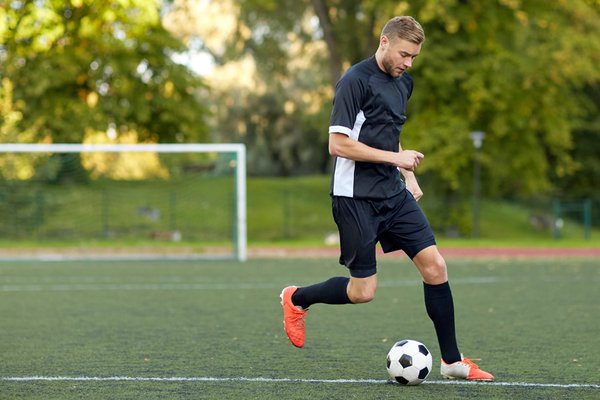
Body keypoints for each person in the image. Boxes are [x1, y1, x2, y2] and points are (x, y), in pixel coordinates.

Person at [280, 16, 494, 381]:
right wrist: (397, 160)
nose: (409, 63)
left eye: (414, 57)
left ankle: (453, 362)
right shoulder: (354, 81)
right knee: (363, 292)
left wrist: (407, 174)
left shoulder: (403, 82)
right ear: (384, 42)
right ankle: (296, 299)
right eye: (405, 54)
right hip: (355, 197)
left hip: (393, 193)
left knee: (436, 267)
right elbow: (338, 144)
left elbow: (389, 132)